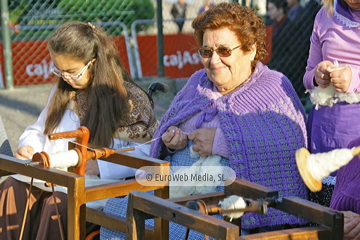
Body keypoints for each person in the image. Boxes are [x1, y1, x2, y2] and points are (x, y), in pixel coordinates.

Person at [101, 3, 309, 239]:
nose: (214, 60)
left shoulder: (273, 87)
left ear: (250, 49)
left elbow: (289, 147)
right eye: (207, 52)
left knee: (190, 230)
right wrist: (172, 142)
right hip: (177, 189)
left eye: (224, 50)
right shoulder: (197, 82)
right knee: (117, 210)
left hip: (226, 205)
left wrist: (221, 142)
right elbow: (168, 131)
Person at [0, 21, 157, 240]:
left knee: (57, 203)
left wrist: (100, 166)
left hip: (104, 185)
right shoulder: (63, 90)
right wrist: (29, 146)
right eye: (59, 70)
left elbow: (146, 152)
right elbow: (39, 129)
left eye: (72, 71)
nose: (65, 77)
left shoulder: (129, 99)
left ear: (93, 63)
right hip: (57, 176)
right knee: (11, 187)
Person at [303, 0, 360, 208]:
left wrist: (354, 79)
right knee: (325, 219)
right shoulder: (325, 14)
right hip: (325, 133)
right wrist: (317, 76)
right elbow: (308, 75)